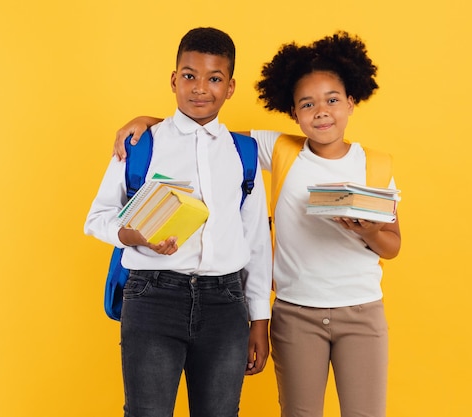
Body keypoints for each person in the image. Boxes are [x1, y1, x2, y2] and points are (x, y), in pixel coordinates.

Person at [113, 32, 401, 417]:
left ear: (352, 101)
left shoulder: (377, 165)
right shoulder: (279, 149)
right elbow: (205, 133)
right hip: (296, 311)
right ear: (294, 113)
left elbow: (393, 245)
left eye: (333, 100)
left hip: (362, 309)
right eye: (307, 104)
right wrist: (151, 123)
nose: (321, 111)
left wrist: (367, 230)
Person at [84, 27, 272, 417]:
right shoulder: (140, 143)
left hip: (226, 304)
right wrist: (131, 235)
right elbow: (96, 219)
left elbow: (256, 242)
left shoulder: (244, 152)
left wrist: (260, 319)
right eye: (189, 76)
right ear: (173, 80)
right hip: (153, 299)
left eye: (214, 79)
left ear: (231, 86)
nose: (200, 88)